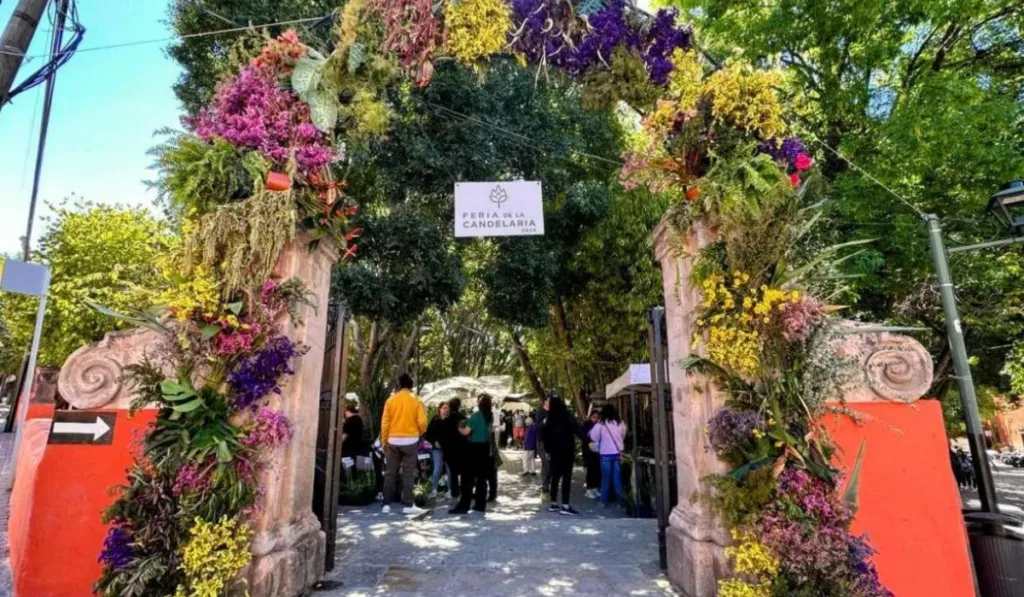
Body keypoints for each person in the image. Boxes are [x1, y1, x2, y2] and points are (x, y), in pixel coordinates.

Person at [379, 374, 428, 514]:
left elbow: (385, 423)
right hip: (410, 440)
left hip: (392, 440)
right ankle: (408, 505)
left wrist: (384, 441)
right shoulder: (417, 400)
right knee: (408, 473)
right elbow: (423, 422)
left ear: (399, 385)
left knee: (390, 473)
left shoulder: (391, 400)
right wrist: (419, 433)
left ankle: (386, 505)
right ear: (411, 386)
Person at [541, 394, 585, 515]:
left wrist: (548, 451)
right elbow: (577, 429)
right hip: (566, 451)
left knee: (555, 477)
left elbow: (545, 437)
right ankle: (565, 506)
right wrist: (588, 441)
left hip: (554, 453)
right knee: (566, 478)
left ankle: (553, 504)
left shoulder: (549, 419)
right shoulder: (567, 416)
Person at [451, 394, 495, 514]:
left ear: (479, 404)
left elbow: (466, 432)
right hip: (485, 449)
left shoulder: (476, 416)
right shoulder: (489, 417)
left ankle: (464, 505)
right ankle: (480, 505)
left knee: (467, 478)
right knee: (481, 478)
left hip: (473, 449)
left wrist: (459, 427)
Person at [590, 404, 627, 507]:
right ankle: (619, 502)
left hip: (605, 454)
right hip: (617, 453)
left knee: (605, 478)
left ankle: (603, 501)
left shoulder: (601, 424)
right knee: (617, 478)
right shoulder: (620, 423)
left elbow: (593, 437)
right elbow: (623, 435)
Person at [439, 398, 466, 500]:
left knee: (453, 472)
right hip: (462, 450)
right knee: (464, 472)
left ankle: (454, 493)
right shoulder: (463, 418)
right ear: (459, 406)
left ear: (450, 407)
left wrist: (445, 453)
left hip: (450, 451)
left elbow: (444, 438)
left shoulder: (446, 420)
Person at [424, 402, 450, 495]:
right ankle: (434, 489)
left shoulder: (450, 421)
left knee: (449, 468)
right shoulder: (434, 420)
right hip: (437, 449)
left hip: (448, 449)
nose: (446, 410)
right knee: (437, 468)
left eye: (447, 408)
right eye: (444, 408)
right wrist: (434, 442)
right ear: (439, 409)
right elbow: (428, 434)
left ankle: (450, 490)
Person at [341, 401, 365, 482]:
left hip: (348, 447)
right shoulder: (359, 419)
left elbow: (345, 436)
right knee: (353, 463)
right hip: (357, 446)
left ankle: (348, 481)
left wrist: (338, 444)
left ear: (347, 411)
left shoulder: (350, 421)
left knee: (347, 464)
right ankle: (354, 481)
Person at [581, 409, 601, 499]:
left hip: (597, 451)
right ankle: (589, 489)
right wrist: (589, 443)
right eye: (594, 417)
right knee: (590, 470)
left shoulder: (599, 425)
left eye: (597, 417)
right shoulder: (586, 425)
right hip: (588, 451)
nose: (596, 419)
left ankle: (595, 488)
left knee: (597, 470)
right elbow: (583, 437)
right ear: (590, 417)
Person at [535, 398, 551, 496]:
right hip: (542, 442)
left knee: (550, 464)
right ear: (544, 401)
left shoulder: (555, 412)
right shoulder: (540, 412)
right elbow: (537, 426)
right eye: (549, 400)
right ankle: (545, 486)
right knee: (546, 464)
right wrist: (544, 422)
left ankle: (546, 484)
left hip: (553, 442)